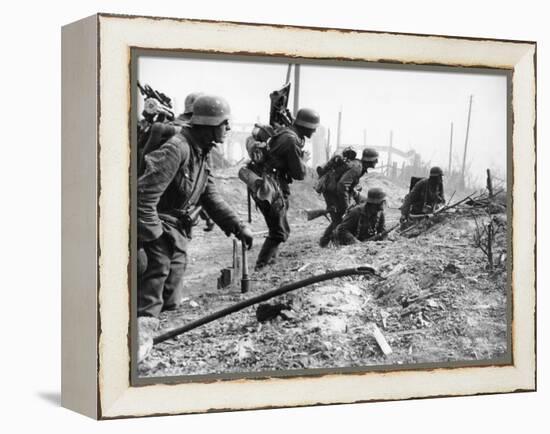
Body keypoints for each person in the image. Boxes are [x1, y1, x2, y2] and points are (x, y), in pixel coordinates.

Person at [137, 94, 253, 358]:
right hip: (158, 230)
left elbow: (209, 196)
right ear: (209, 124)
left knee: (171, 299)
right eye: (224, 123)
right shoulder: (177, 148)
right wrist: (155, 240)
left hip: (176, 233)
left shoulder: (202, 153)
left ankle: (154, 346)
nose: (228, 129)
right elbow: (143, 197)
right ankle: (135, 352)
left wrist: (237, 226)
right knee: (151, 295)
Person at [254, 108, 320, 269]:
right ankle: (262, 267)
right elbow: (298, 173)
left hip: (267, 183)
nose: (315, 131)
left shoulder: (286, 134)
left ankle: (269, 264)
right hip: (271, 186)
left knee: (277, 230)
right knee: (279, 232)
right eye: (313, 127)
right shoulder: (291, 140)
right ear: (306, 127)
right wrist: (303, 160)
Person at [318, 147, 379, 247]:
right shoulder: (357, 168)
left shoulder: (358, 166)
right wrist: (346, 206)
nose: (376, 162)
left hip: (333, 190)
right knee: (340, 217)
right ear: (371, 160)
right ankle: (329, 242)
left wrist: (354, 195)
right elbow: (342, 185)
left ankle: (325, 242)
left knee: (339, 217)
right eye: (375, 160)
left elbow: (346, 185)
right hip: (332, 192)